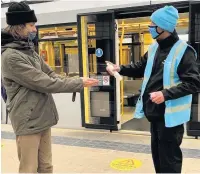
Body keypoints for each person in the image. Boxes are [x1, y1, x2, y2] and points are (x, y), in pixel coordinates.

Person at [1, 1, 98, 173]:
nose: (35, 29)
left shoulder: (29, 51)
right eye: (31, 25)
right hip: (27, 120)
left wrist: (77, 80)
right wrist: (78, 83)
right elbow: (44, 82)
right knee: (29, 169)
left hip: (43, 117)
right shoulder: (11, 57)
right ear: (18, 26)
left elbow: (51, 74)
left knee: (46, 167)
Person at [107, 6, 200, 173]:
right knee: (158, 157)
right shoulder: (154, 48)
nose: (149, 26)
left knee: (169, 160)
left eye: (152, 23)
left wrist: (165, 94)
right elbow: (140, 67)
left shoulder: (184, 51)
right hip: (155, 114)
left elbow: (193, 83)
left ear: (162, 27)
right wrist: (120, 68)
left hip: (170, 118)